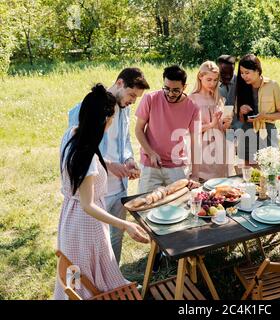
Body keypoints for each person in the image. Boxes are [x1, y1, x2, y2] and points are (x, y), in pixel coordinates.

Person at [54, 84, 149, 300]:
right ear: (104, 120)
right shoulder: (86, 155)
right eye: (111, 118)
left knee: (77, 278)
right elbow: (88, 205)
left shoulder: (71, 135)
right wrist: (125, 225)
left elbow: (85, 165)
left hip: (69, 220)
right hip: (87, 226)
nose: (112, 122)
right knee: (92, 280)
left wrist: (111, 165)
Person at [68, 68, 149, 264]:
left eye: (136, 97)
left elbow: (125, 140)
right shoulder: (84, 109)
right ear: (120, 83)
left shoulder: (126, 109)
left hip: (119, 187)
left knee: (116, 236)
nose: (132, 101)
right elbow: (78, 149)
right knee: (96, 242)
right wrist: (109, 164)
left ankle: (114, 279)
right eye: (131, 95)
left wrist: (129, 159)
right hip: (95, 191)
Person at [135, 65, 202, 193]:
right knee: (146, 205)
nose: (170, 94)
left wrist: (195, 174)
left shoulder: (193, 107)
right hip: (151, 165)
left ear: (184, 87)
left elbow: (196, 141)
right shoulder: (150, 99)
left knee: (178, 207)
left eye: (176, 90)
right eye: (167, 88)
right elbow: (138, 129)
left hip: (177, 168)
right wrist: (150, 152)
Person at [235, 54, 280, 166]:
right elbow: (241, 120)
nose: (244, 76)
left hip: (267, 130)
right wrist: (241, 112)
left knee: (269, 168)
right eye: (242, 73)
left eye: (247, 72)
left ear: (257, 70)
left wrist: (265, 116)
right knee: (249, 170)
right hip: (248, 131)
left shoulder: (272, 85)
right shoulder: (242, 87)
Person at [189, 61, 233, 181]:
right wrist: (211, 125)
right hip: (202, 149)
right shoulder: (191, 99)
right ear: (200, 76)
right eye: (209, 79)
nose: (212, 83)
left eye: (215, 80)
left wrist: (227, 124)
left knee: (221, 188)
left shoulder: (219, 99)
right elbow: (189, 130)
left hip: (220, 148)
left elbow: (222, 129)